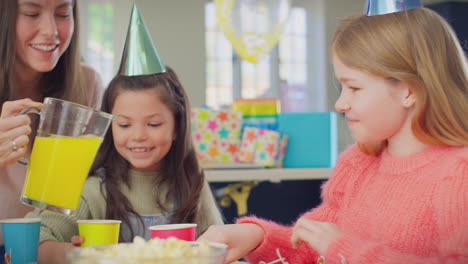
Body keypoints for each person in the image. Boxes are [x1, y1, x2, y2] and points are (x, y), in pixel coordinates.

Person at [198, 6, 468, 264]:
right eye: (342, 86)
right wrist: (255, 236)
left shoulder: (459, 173)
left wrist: (344, 249)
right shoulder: (357, 163)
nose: (340, 104)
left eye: (354, 88)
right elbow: (310, 246)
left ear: (408, 91)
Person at [29, 66, 224, 263]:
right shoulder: (93, 190)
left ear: (177, 126)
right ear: (110, 126)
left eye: (153, 124)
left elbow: (220, 246)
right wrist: (76, 254)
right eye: (124, 125)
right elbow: (37, 239)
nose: (138, 136)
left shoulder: (192, 182)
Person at [0, 0, 103, 255]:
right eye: (32, 13)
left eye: (62, 14)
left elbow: (89, 187)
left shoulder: (86, 84)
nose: (50, 31)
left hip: (53, 248)